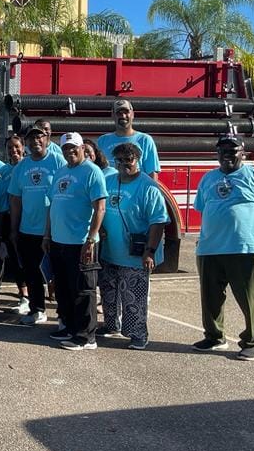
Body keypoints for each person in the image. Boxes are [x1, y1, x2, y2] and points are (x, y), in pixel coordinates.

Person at [192, 135, 254, 361]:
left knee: (249, 298)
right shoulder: (208, 179)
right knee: (210, 297)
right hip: (210, 248)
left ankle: (252, 341)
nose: (227, 155)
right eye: (222, 151)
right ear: (217, 154)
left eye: (232, 151)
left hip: (245, 248)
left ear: (242, 152)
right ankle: (214, 336)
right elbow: (203, 209)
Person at [100, 143, 168, 350]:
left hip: (135, 255)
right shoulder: (109, 181)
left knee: (134, 298)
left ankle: (138, 334)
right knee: (108, 294)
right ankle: (111, 325)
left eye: (128, 159)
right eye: (119, 160)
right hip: (109, 251)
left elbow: (158, 221)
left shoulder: (148, 187)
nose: (123, 164)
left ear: (137, 160)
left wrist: (150, 252)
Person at [44, 132, 107, 351]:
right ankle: (69, 327)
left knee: (83, 290)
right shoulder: (61, 172)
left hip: (81, 242)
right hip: (59, 240)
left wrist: (91, 239)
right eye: (66, 149)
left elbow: (100, 207)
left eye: (74, 148)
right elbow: (52, 205)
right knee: (64, 288)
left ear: (82, 148)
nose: (70, 152)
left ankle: (86, 336)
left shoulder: (92, 171)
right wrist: (47, 235)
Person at [9, 124, 66, 326]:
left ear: (47, 139)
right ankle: (37, 310)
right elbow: (15, 200)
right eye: (31, 139)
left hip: (54, 230)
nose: (36, 142)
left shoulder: (58, 161)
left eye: (39, 137)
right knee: (32, 273)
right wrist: (14, 229)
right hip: (28, 229)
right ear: (26, 143)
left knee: (57, 273)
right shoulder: (21, 167)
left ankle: (63, 315)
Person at [96, 99, 161, 179]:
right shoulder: (102, 141)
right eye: (119, 113)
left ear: (133, 114)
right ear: (113, 115)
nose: (123, 116)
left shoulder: (145, 140)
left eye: (126, 112)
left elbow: (152, 174)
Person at [0, 134, 28, 311]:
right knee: (16, 257)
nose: (13, 150)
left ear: (23, 147)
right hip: (10, 217)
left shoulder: (29, 166)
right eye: (10, 147)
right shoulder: (3, 171)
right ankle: (23, 294)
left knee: (30, 260)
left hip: (31, 218)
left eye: (17, 146)